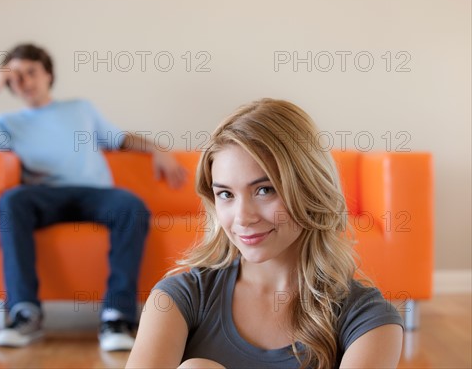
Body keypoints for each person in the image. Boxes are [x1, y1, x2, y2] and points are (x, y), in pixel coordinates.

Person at [126, 99, 404, 368]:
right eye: (226, 194)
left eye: (264, 190)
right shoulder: (177, 299)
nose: (243, 217)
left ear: (309, 187)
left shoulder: (369, 319)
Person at [0, 43, 187, 351]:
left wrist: (158, 150)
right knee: (12, 201)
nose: (25, 81)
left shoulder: (80, 108)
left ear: (48, 75)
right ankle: (24, 312)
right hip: (44, 196)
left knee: (130, 205)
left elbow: (120, 139)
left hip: (95, 194)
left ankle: (117, 317)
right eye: (16, 76)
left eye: (31, 72)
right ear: (8, 83)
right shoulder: (6, 123)